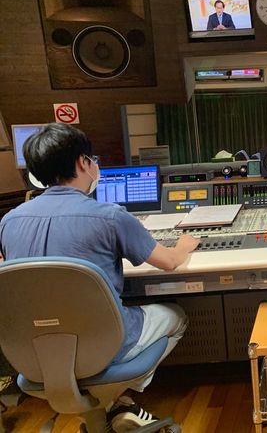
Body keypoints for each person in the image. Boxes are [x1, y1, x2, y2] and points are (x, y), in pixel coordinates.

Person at [0, 123, 200, 432]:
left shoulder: (9, 221)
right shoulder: (110, 216)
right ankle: (115, 397)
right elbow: (170, 262)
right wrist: (184, 244)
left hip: (34, 358)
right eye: (92, 159)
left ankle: (114, 405)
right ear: (83, 163)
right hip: (106, 349)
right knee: (176, 316)